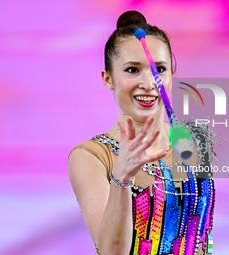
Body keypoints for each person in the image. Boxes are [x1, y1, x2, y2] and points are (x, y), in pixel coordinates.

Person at [68, 10, 216, 255]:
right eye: (132, 70)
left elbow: (203, 234)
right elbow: (111, 252)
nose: (149, 83)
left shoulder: (194, 140)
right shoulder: (91, 157)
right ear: (108, 78)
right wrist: (122, 179)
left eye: (159, 68)